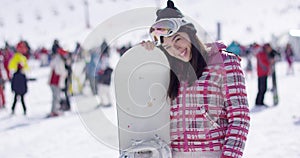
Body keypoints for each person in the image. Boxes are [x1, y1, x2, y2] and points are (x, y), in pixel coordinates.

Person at [141, 1, 250, 157]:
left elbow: (240, 118)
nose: (176, 50)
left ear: (191, 33)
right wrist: (143, 55)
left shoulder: (224, 62)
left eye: (178, 39)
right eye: (168, 47)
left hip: (214, 153)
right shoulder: (169, 70)